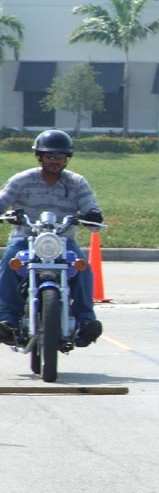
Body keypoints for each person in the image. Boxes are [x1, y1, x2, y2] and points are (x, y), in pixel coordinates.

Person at [0, 129, 104, 347]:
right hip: (25, 239)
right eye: (50, 155)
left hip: (63, 241)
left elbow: (90, 207)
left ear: (67, 158)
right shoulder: (22, 180)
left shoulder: (76, 182)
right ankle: (7, 319)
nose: (55, 160)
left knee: (83, 267)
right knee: (9, 263)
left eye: (60, 156)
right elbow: (3, 200)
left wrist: (92, 215)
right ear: (40, 157)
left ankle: (86, 320)